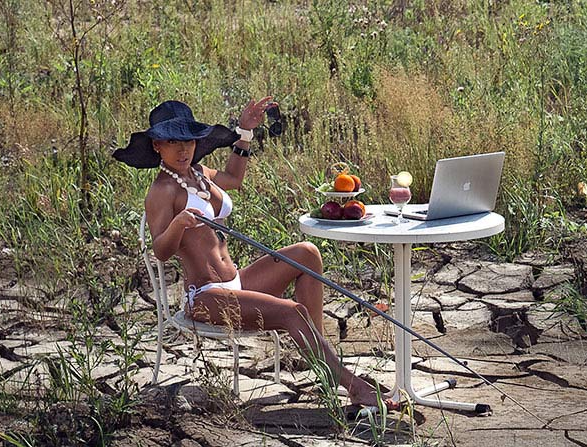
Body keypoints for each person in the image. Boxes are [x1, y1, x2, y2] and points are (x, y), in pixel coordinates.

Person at [113, 98, 398, 412]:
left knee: (307, 253)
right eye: (172, 142)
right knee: (292, 311)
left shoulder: (199, 173)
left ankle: (321, 365)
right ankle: (354, 387)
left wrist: (245, 132)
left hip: (236, 283)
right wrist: (178, 224)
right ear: (156, 146)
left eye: (189, 141)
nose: (183, 150)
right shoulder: (162, 191)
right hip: (206, 297)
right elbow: (161, 251)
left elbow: (233, 179)